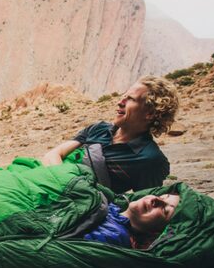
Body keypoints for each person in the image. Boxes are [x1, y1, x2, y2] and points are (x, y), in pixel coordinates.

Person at [42, 76, 179, 193]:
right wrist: (62, 182)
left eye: (130, 99)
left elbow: (143, 204)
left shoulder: (150, 159)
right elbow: (53, 154)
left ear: (150, 113)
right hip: (49, 180)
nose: (120, 102)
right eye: (123, 96)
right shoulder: (99, 128)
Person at [83, 192, 180, 249]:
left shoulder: (113, 236)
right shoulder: (110, 202)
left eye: (165, 210)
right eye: (161, 196)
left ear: (154, 235)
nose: (155, 199)